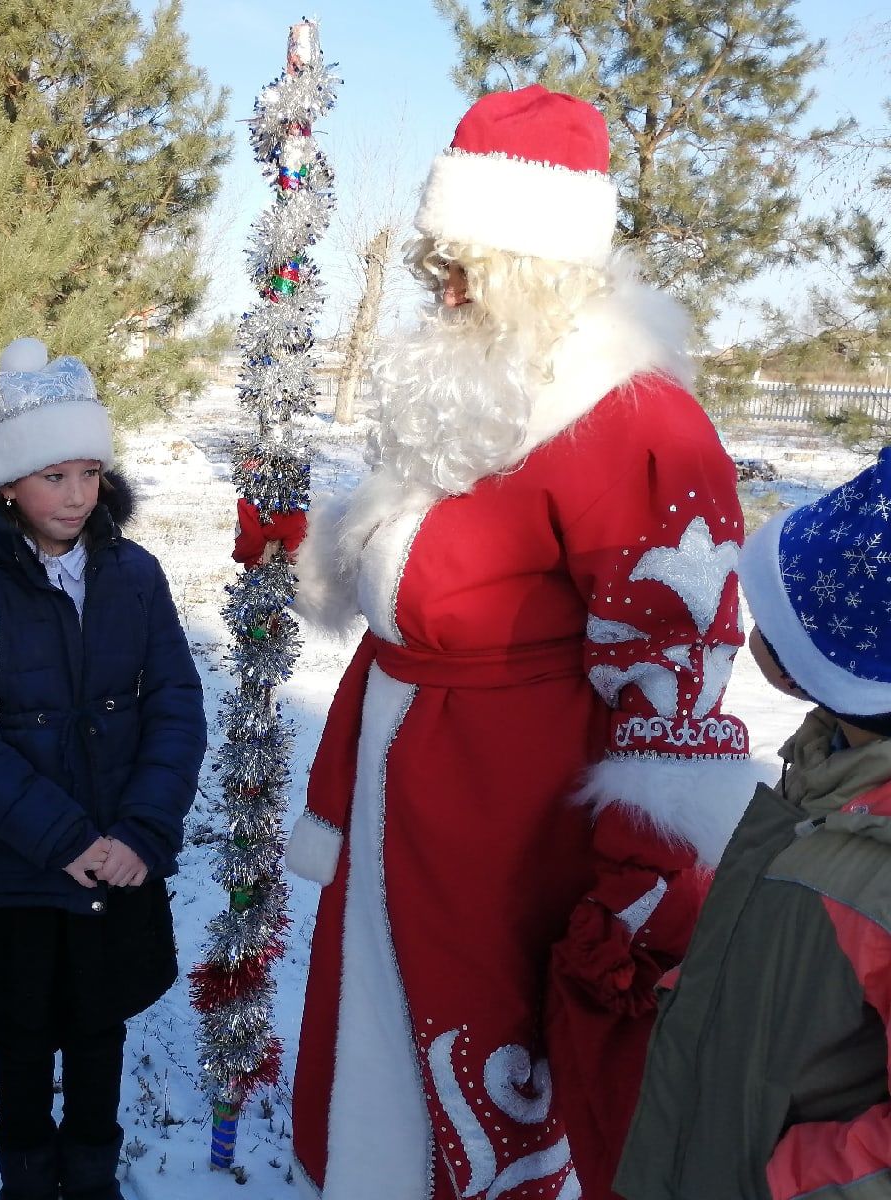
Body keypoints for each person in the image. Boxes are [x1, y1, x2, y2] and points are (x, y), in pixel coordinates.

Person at [284, 85, 757, 1200]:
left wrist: (636, 893)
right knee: (380, 1058)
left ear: (533, 268)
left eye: (466, 265)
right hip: (408, 806)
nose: (440, 286)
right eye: (435, 259)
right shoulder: (480, 390)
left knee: (484, 1083)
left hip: (510, 836)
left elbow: (677, 682)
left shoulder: (632, 419)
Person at [0, 339, 206, 1200]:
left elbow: (174, 703)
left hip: (120, 851)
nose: (75, 495)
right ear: (10, 484)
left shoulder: (134, 574)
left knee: (99, 1024)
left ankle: (91, 1170)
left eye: (88, 474)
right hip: (16, 859)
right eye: (52, 476)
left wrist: (140, 833)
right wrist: (61, 837)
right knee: (23, 1029)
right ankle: (24, 1173)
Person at [616, 450, 891, 1199]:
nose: (743, 630)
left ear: (830, 662)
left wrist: (781, 1185)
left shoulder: (872, 863)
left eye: (771, 611)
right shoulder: (827, 775)